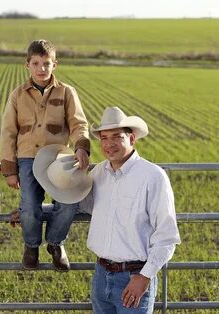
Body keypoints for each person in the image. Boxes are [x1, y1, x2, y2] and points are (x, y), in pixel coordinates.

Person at [0, 39, 90, 271]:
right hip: (28, 158)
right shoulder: (17, 95)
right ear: (27, 65)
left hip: (58, 159)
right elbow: (8, 132)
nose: (41, 69)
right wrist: (9, 169)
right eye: (36, 63)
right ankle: (31, 245)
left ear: (55, 65)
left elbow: (79, 123)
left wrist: (81, 146)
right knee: (29, 206)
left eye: (46, 63)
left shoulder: (67, 92)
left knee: (68, 204)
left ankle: (55, 243)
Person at [86, 106, 181, 313]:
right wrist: (30, 212)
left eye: (116, 137)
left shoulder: (152, 176)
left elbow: (167, 236)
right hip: (101, 275)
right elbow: (76, 204)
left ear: (131, 139)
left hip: (134, 277)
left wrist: (144, 277)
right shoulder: (98, 173)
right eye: (103, 138)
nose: (109, 144)